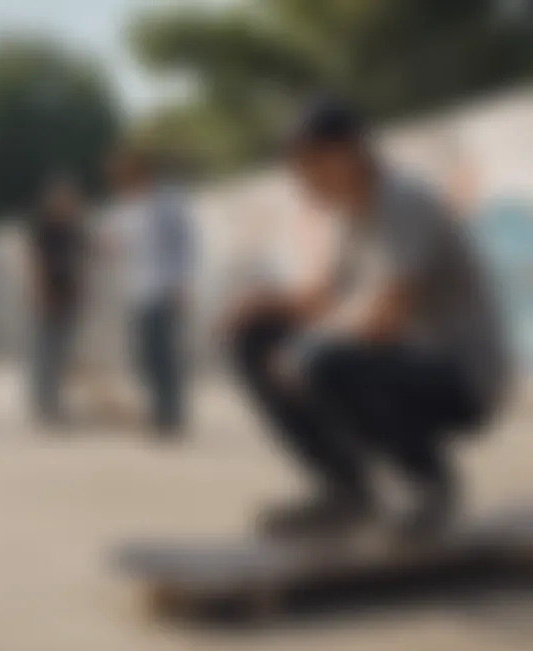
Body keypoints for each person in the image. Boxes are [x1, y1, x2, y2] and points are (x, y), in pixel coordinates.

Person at [226, 97, 511, 541]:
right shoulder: (351, 211)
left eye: (311, 166)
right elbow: (322, 297)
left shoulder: (403, 201)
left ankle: (428, 486)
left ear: (348, 153)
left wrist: (307, 347)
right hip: (407, 364)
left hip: (464, 379)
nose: (303, 181)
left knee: (323, 360)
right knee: (254, 339)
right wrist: (262, 305)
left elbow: (386, 318)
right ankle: (345, 491)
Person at [108, 149, 194, 438]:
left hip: (164, 288)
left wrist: (181, 282)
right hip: (136, 291)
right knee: (144, 356)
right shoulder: (125, 208)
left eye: (126, 172)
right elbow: (122, 247)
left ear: (141, 171)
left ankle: (170, 415)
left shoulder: (167, 203)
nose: (122, 179)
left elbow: (183, 242)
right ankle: (158, 409)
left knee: (164, 355)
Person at [28, 179, 87, 425]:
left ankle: (55, 399)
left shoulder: (74, 230)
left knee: (62, 352)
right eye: (62, 199)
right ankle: (44, 402)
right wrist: (40, 293)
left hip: (69, 297)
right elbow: (35, 262)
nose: (66, 205)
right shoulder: (45, 228)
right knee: (46, 350)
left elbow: (82, 261)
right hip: (50, 296)